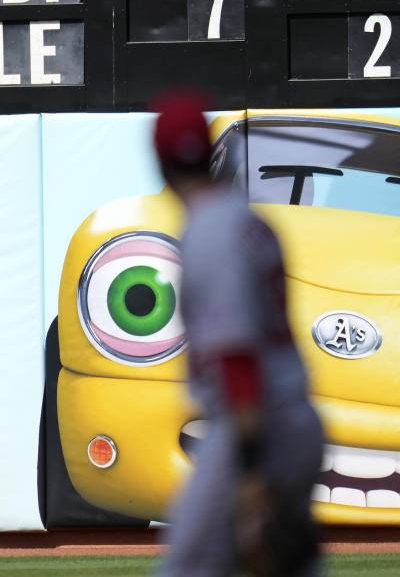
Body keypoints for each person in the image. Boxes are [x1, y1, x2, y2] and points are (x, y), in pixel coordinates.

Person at [152, 91, 324, 577]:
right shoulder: (247, 221)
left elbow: (236, 356)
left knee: (188, 566)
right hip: (294, 419)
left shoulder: (208, 232)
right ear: (209, 155)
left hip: (254, 429)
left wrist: (249, 473)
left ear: (161, 165)